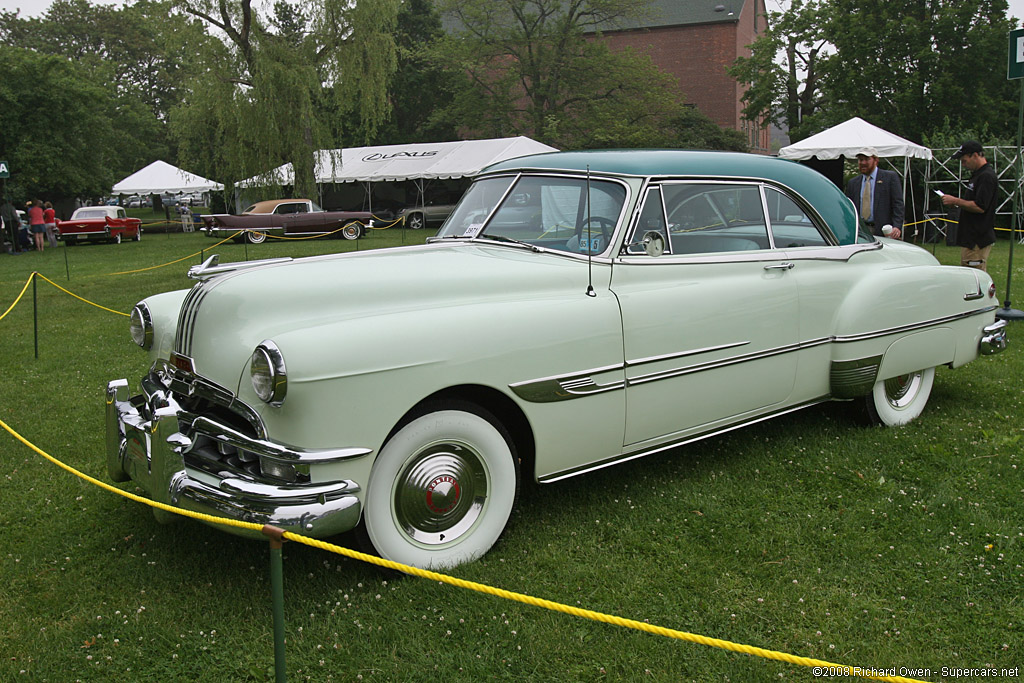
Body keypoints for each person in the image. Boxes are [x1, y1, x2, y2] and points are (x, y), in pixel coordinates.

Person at [941, 140, 997, 272]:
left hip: (977, 238)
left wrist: (955, 201)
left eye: (964, 160)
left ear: (975, 155)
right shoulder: (977, 175)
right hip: (970, 237)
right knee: (968, 274)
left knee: (974, 277)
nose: (963, 164)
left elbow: (980, 206)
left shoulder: (986, 177)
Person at [845, 147, 904, 239]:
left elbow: (898, 204)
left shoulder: (889, 178)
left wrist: (897, 226)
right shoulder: (853, 183)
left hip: (885, 232)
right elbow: (849, 208)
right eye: (860, 160)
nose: (863, 163)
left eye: (867, 159)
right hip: (860, 232)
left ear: (876, 160)